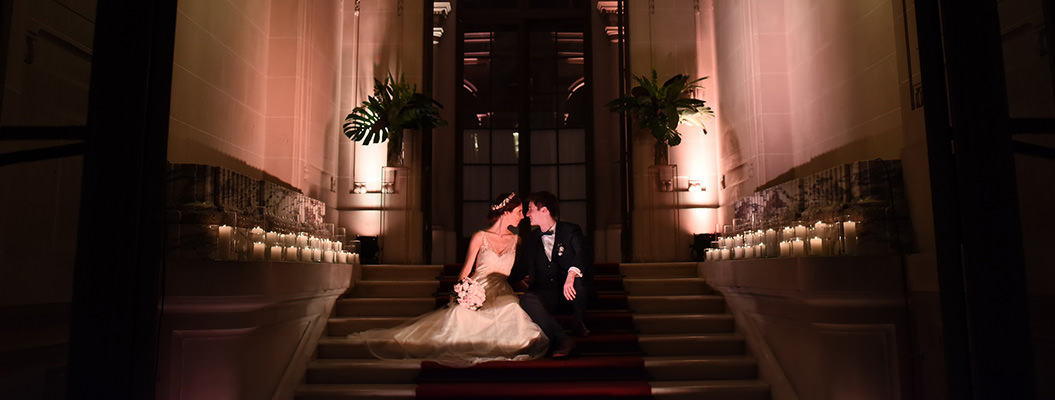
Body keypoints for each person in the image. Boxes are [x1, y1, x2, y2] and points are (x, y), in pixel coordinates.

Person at [347, 192, 549, 367]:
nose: (523, 216)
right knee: (460, 315)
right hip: (478, 288)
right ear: (506, 212)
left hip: (502, 290)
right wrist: (460, 293)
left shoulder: (517, 240)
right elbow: (466, 270)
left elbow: (515, 273)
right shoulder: (480, 236)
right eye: (519, 212)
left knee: (511, 309)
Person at [508, 191, 591, 359]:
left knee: (577, 282)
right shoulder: (531, 239)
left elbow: (581, 254)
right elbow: (520, 270)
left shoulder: (571, 230)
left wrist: (571, 275)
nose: (527, 214)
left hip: (571, 292)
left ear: (544, 210)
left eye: (530, 209)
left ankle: (577, 319)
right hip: (546, 293)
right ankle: (563, 338)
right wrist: (492, 278)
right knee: (527, 300)